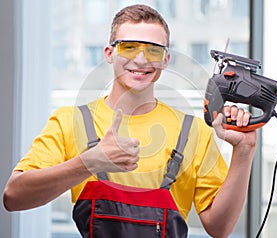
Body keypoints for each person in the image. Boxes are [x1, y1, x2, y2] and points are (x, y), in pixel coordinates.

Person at [3, 4, 257, 238]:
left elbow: (220, 228)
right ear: (109, 53)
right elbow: (14, 197)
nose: (141, 60)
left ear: (166, 60)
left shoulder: (193, 131)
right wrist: (89, 162)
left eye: (153, 50)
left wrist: (244, 152)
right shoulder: (70, 121)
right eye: (129, 47)